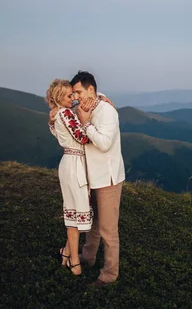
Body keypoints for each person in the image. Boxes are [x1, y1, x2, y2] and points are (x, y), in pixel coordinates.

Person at [50, 71, 125, 288]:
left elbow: (103, 143)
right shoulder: (90, 101)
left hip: (107, 178)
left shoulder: (107, 112)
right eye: (73, 93)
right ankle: (88, 256)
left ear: (90, 90)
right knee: (93, 223)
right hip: (90, 176)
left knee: (108, 230)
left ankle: (109, 275)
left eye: (79, 92)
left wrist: (86, 123)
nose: (75, 98)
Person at [45, 79, 93, 276]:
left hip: (70, 162)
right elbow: (83, 137)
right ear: (58, 98)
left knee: (74, 212)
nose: (73, 98)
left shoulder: (58, 114)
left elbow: (55, 131)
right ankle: (74, 260)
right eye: (69, 95)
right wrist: (87, 119)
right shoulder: (64, 113)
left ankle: (67, 251)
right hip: (74, 166)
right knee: (74, 215)